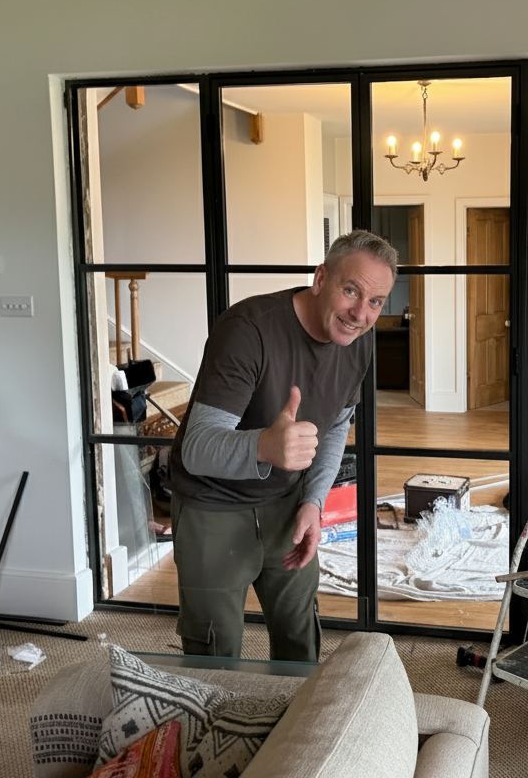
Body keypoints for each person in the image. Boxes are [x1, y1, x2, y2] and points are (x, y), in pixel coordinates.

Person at [167, 230, 398, 661]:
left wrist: (313, 503)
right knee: (213, 655)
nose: (360, 313)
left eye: (376, 302)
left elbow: (333, 428)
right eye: (351, 290)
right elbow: (196, 447)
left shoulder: (359, 340)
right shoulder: (247, 330)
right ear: (320, 278)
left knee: (300, 643)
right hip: (211, 508)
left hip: (287, 505)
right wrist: (264, 447)